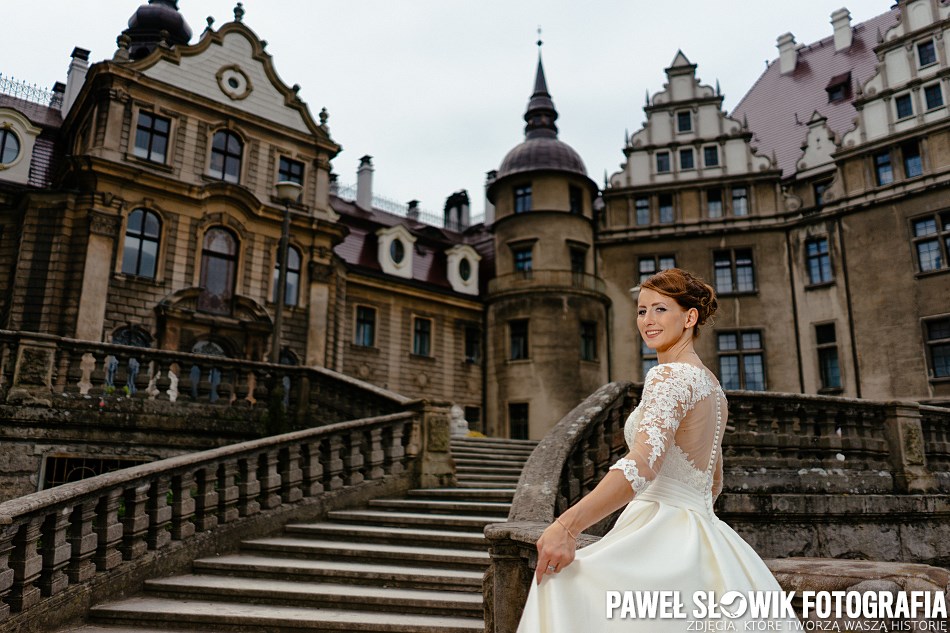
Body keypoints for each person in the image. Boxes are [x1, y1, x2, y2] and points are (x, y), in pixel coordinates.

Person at [516, 268, 798, 632]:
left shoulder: (669, 376)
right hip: (707, 537)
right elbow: (713, 482)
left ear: (690, 317)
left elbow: (642, 464)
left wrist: (566, 527)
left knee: (560, 588)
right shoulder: (712, 387)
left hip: (664, 534)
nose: (647, 320)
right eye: (641, 310)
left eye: (660, 309)